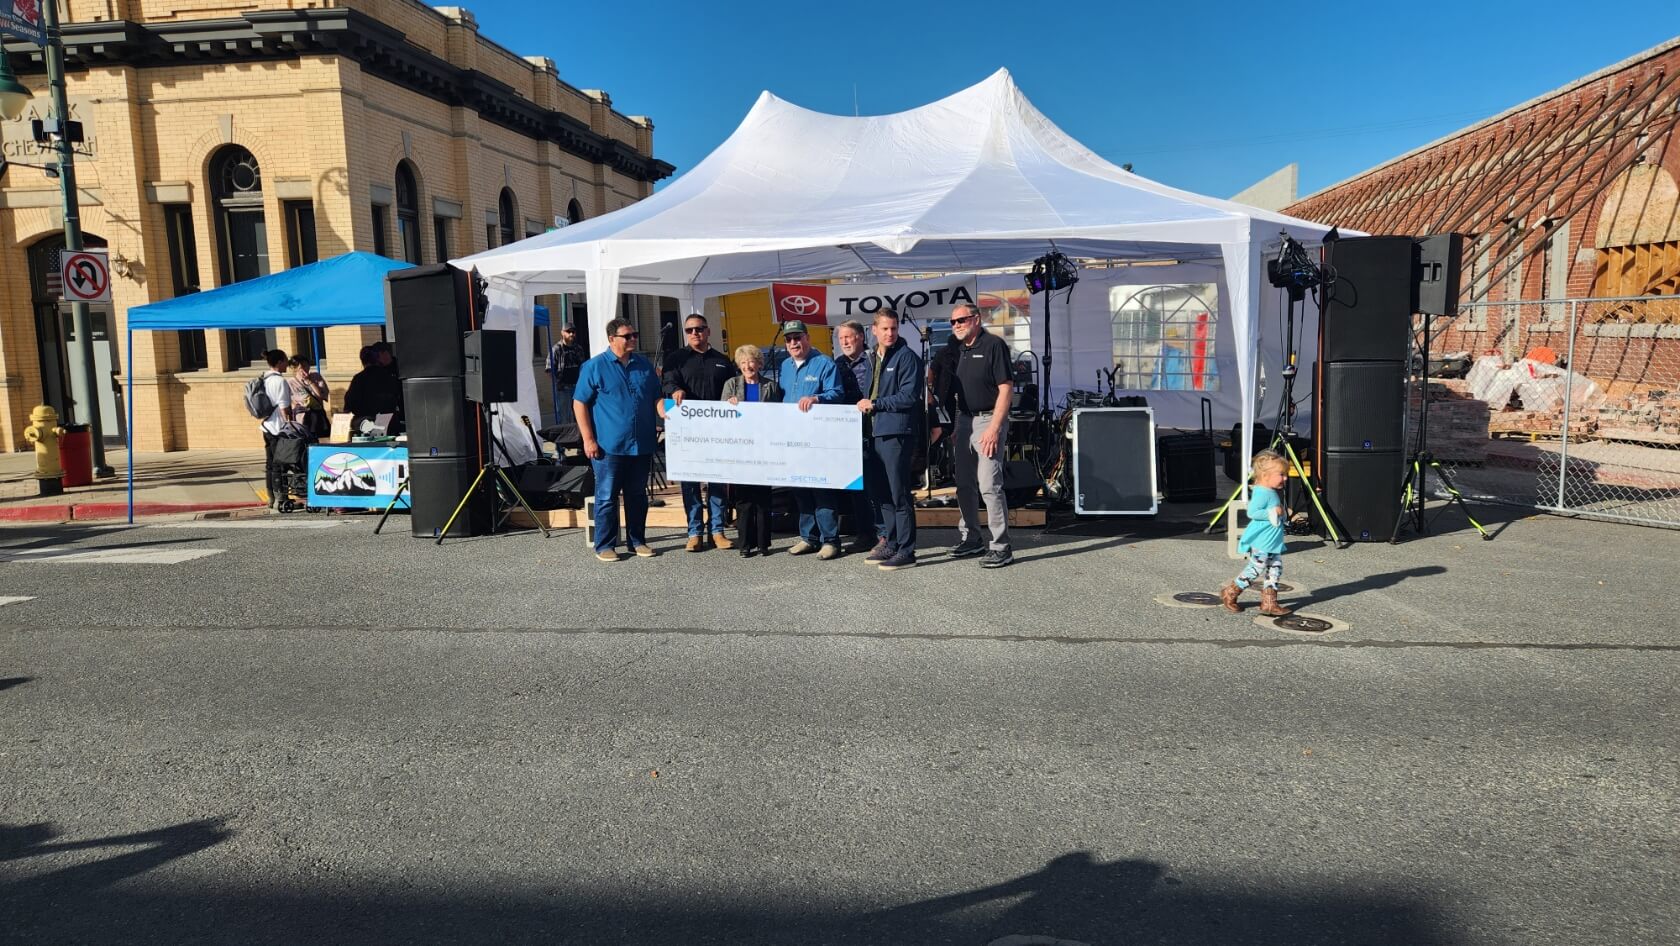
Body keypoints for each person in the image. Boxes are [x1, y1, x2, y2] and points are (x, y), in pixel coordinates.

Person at [574, 318, 661, 562]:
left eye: (634, 334)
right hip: (608, 446)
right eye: (628, 336)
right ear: (612, 339)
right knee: (606, 497)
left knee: (637, 496)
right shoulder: (594, 367)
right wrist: (588, 439)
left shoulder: (643, 365)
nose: (633, 338)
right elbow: (579, 402)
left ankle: (637, 541)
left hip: (640, 444)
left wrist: (666, 410)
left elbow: (656, 397)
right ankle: (605, 545)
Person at [662, 313, 739, 552]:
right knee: (690, 482)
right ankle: (694, 532)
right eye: (690, 330)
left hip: (717, 431)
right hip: (687, 431)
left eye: (699, 329)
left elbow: (734, 387)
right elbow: (667, 383)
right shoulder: (676, 359)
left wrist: (734, 398)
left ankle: (717, 530)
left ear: (708, 331)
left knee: (716, 482)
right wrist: (675, 390)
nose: (694, 333)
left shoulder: (722, 360)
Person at [946, 303, 1014, 568]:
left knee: (989, 484)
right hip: (964, 420)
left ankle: (1001, 546)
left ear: (976, 319)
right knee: (964, 484)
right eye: (953, 322)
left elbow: (1006, 389)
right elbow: (958, 392)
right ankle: (971, 538)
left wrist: (994, 428)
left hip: (988, 420)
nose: (956, 326)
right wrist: (955, 426)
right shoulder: (961, 348)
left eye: (961, 320)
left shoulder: (993, 345)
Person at [857, 308, 925, 571]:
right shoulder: (872, 357)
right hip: (874, 433)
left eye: (894, 328)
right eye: (885, 328)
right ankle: (892, 543)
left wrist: (875, 404)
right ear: (873, 330)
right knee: (882, 495)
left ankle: (907, 550)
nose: (890, 333)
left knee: (899, 495)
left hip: (896, 434)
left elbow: (909, 397)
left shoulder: (907, 357)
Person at [776, 319, 845, 559]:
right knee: (800, 489)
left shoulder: (824, 363)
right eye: (789, 339)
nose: (794, 342)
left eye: (798, 337)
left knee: (821, 489)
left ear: (807, 338)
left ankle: (831, 540)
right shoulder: (784, 366)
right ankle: (809, 537)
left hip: (818, 438)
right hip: (792, 437)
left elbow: (837, 393)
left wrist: (817, 398)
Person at [722, 344, 783, 557]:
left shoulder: (771, 386)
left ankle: (764, 543)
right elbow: (722, 414)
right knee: (744, 499)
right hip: (741, 449)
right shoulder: (731, 385)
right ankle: (745, 544)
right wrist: (729, 405)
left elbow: (779, 415)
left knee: (763, 497)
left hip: (764, 447)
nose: (748, 366)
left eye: (752, 361)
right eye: (744, 362)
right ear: (739, 365)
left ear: (759, 363)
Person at [1221, 450, 1292, 616]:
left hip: (1272, 541)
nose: (1285, 478)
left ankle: (1269, 602)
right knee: (1256, 567)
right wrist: (1273, 512)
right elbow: (1253, 513)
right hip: (1262, 542)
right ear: (1265, 475)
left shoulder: (1270, 491)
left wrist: (1282, 512)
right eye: (1281, 474)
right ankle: (1231, 591)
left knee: (1275, 568)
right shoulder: (1261, 492)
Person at [833, 319, 881, 555]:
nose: (844, 342)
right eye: (841, 338)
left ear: (861, 337)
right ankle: (865, 534)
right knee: (857, 488)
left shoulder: (873, 360)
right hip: (847, 435)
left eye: (848, 337)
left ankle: (883, 533)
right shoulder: (836, 364)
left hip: (873, 430)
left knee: (877, 485)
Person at [257, 349, 294, 512]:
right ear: (279, 362)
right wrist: (291, 424)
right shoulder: (280, 382)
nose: (287, 364)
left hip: (266, 426)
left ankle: (271, 497)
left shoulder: (264, 379)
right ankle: (282, 497)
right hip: (279, 428)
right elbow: (285, 407)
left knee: (270, 464)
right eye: (285, 361)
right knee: (280, 464)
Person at [343, 344, 402, 430]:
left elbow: (350, 402)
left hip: (366, 423)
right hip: (389, 421)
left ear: (362, 361)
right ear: (377, 359)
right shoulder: (389, 376)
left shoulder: (359, 378)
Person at [545, 323, 587, 423]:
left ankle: (579, 437)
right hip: (563, 389)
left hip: (577, 387)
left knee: (580, 415)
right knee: (564, 416)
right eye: (568, 332)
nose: (571, 334)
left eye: (573, 332)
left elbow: (584, 366)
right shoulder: (556, 349)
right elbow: (549, 369)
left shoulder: (578, 348)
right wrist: (557, 382)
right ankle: (565, 438)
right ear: (562, 333)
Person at [287, 354, 330, 440]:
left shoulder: (316, 377)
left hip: (318, 416)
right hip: (302, 418)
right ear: (295, 369)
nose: (304, 369)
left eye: (306, 366)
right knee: (305, 442)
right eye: (300, 367)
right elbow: (293, 402)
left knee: (321, 440)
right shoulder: (291, 383)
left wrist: (310, 381)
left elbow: (321, 395)